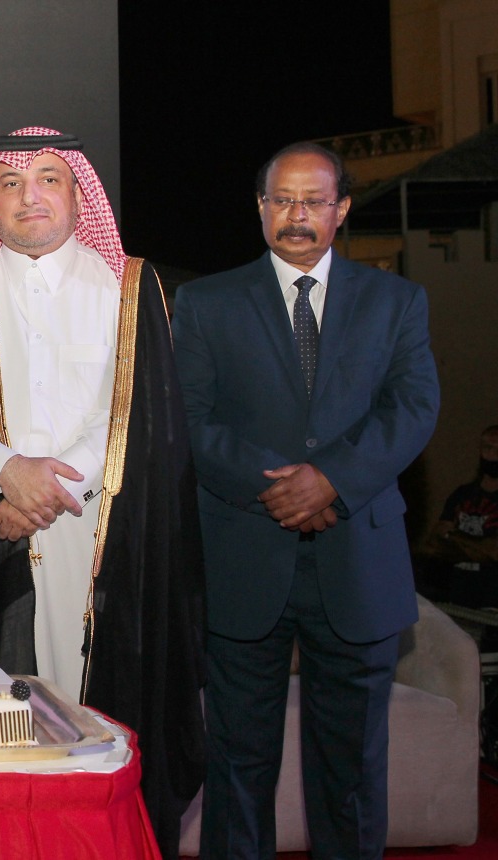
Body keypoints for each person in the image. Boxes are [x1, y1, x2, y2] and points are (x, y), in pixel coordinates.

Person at [0, 127, 205, 857]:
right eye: (10, 183)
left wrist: (44, 487)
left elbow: (148, 413)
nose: (28, 196)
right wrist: (4, 471)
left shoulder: (140, 288)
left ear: (78, 193)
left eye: (47, 178)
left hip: (106, 532)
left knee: (104, 724)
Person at [171, 141, 440, 859]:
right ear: (261, 209)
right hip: (242, 563)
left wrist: (333, 481)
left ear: (342, 209)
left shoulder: (397, 300)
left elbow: (413, 409)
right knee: (238, 766)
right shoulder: (203, 302)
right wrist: (285, 490)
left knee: (351, 770)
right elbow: (188, 422)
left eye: (314, 201)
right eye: (282, 200)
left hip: (359, 561)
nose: (297, 215)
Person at [422, 424, 498, 608]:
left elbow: (494, 552)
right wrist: (479, 550)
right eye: (488, 448)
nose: (492, 455)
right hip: (454, 593)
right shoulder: (462, 494)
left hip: (490, 600)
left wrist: (453, 537)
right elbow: (434, 544)